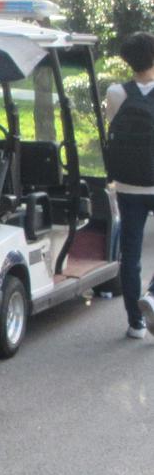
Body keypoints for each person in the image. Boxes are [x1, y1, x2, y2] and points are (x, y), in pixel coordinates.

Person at [104, 31, 154, 339]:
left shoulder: (116, 92)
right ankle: (153, 295)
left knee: (130, 254)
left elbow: (111, 124)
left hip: (127, 185)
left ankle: (136, 323)